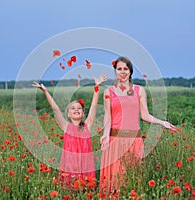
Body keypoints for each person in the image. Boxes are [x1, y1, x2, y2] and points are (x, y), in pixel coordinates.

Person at [99, 56, 178, 196]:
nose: (122, 72)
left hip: (134, 141)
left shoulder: (139, 90)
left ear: (130, 71)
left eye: (125, 69)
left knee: (132, 180)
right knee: (115, 182)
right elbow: (108, 117)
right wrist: (105, 135)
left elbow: (145, 116)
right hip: (114, 140)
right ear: (115, 71)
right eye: (119, 69)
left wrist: (162, 122)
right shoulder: (108, 92)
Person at [32, 73, 108, 190]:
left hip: (85, 163)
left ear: (83, 113)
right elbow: (55, 108)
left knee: (86, 189)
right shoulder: (66, 126)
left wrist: (97, 88)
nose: (76, 110)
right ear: (68, 114)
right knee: (71, 188)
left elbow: (93, 106)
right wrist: (45, 91)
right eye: (73, 108)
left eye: (79, 108)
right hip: (70, 164)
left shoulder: (87, 125)